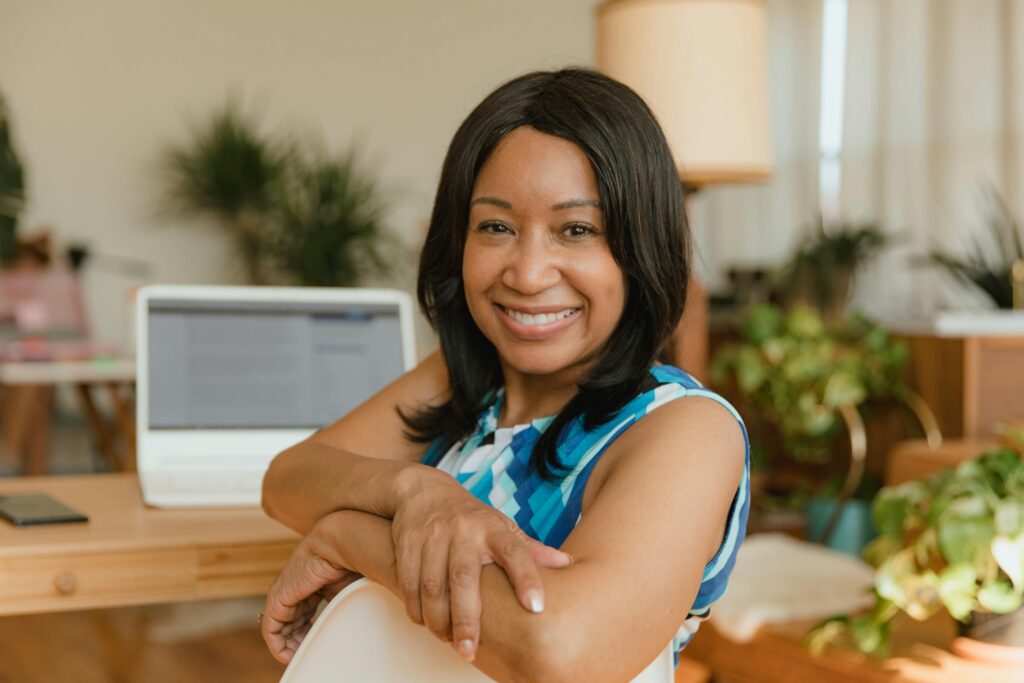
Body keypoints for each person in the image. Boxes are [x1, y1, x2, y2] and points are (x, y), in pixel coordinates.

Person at [260, 68, 749, 683]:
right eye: (496, 227)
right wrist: (420, 495)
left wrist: (350, 536)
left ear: (640, 246)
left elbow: (559, 653)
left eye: (577, 230)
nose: (528, 272)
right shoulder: (467, 381)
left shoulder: (685, 427)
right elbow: (287, 479)